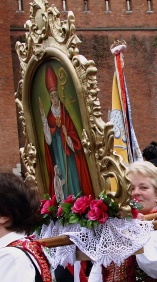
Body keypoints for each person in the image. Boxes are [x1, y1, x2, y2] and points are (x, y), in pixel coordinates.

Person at [39, 64, 94, 198]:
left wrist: (67, 134)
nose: (54, 99)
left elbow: (73, 133)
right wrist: (47, 124)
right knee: (62, 175)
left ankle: (77, 197)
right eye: (52, 96)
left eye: (56, 95)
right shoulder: (49, 116)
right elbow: (48, 141)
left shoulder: (64, 113)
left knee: (72, 175)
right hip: (58, 153)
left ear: (58, 96)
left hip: (69, 154)